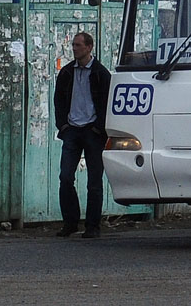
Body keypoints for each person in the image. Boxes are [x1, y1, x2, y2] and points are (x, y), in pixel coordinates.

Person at [53, 31, 111, 238]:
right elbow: (58, 100)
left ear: (89, 47)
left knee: (94, 181)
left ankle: (92, 226)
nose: (75, 48)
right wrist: (63, 126)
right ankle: (70, 222)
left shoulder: (100, 73)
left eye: (78, 45)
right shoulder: (67, 72)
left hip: (92, 132)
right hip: (72, 131)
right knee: (65, 177)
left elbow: (107, 103)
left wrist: (98, 127)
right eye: (74, 45)